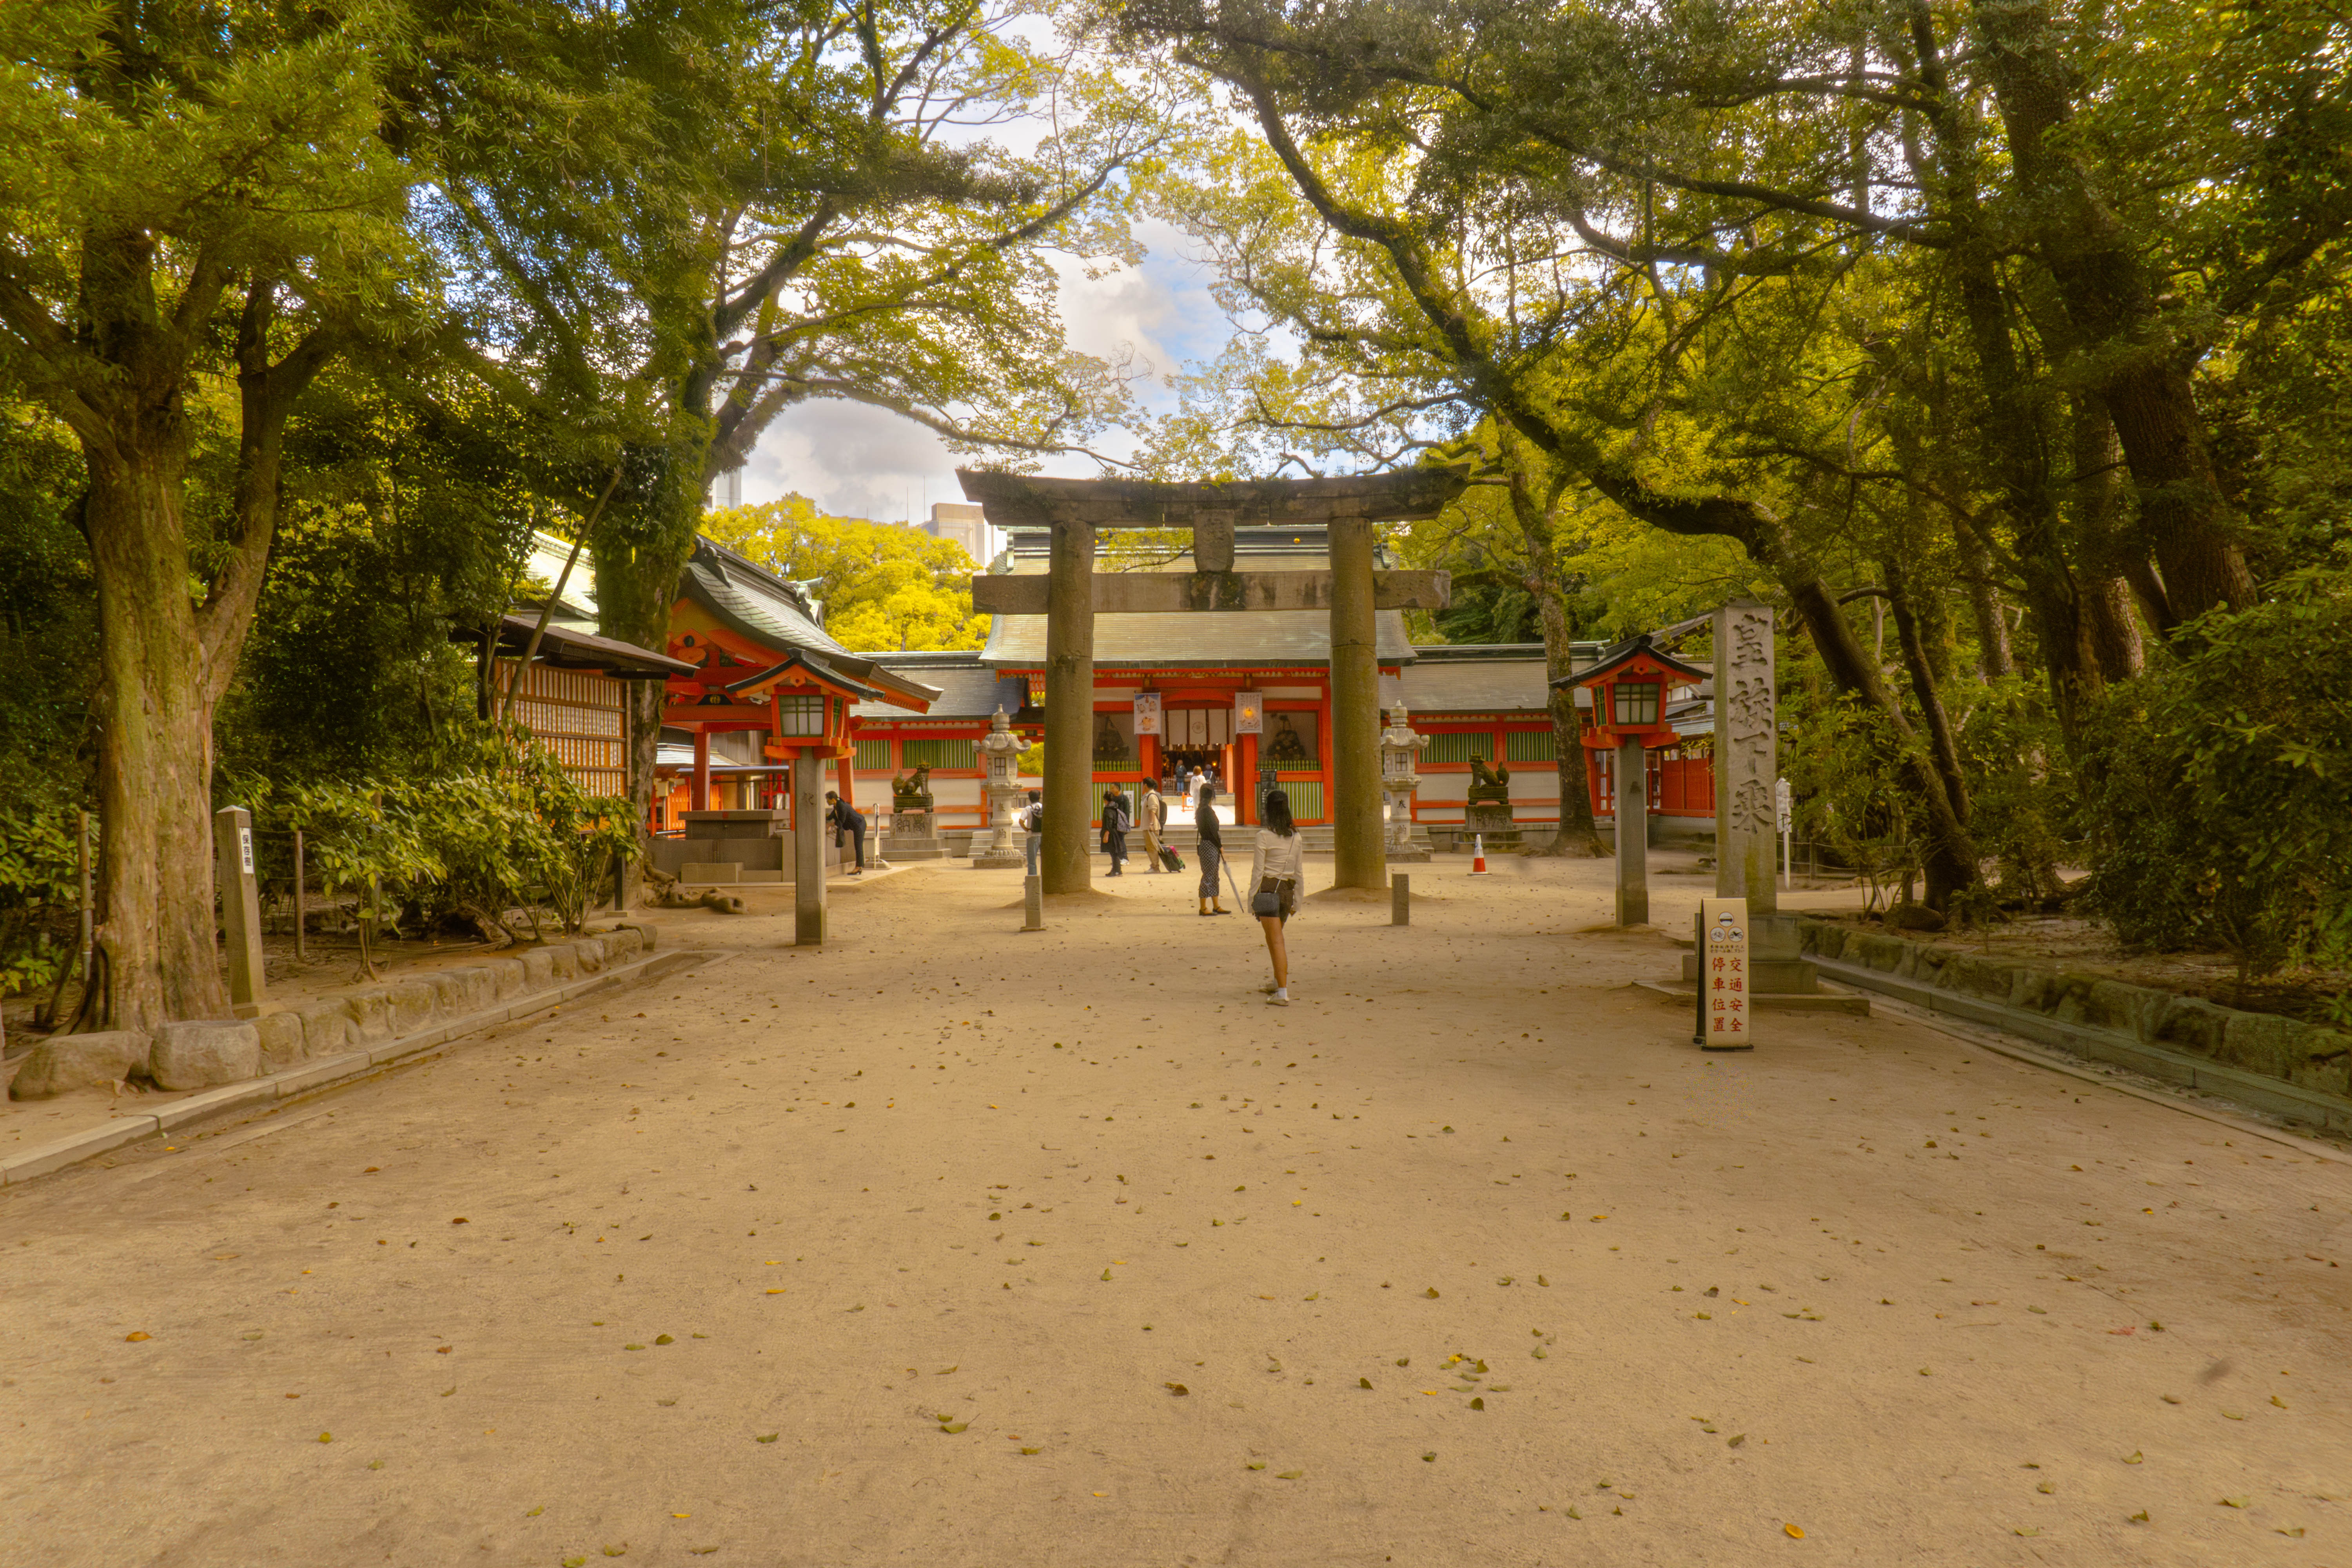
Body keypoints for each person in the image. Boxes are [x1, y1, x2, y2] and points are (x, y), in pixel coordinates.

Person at [1249, 787, 1304, 1004]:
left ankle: (1282, 992)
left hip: (1269, 891)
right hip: (1287, 892)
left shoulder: (1263, 837)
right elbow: (1299, 872)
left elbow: (1258, 872)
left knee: (1276, 940)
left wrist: (1252, 899)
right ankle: (1276, 980)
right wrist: (1297, 900)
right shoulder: (1296, 838)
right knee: (1274, 938)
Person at [1195, 782, 1230, 916]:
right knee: (1209, 875)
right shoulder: (1207, 811)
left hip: (1208, 845)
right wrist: (1220, 846)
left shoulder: (1201, 810)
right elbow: (1212, 831)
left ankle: (1216, 905)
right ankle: (1203, 907)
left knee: (1214, 875)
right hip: (1211, 845)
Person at [824, 790, 866, 875]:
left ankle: (859, 867)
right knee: (858, 845)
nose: (827, 801)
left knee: (858, 845)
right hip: (857, 825)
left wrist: (830, 825)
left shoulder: (842, 806)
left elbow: (841, 821)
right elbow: (831, 817)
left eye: (828, 800)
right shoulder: (837, 806)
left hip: (859, 824)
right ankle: (860, 867)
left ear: (833, 800)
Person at [1100, 786, 1130, 876]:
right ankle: (1117, 870)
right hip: (1116, 833)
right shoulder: (1115, 808)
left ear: (1106, 800)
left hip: (1111, 834)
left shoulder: (1108, 810)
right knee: (1115, 852)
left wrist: (1106, 834)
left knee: (1113, 852)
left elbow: (1109, 823)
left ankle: (1116, 870)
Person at [1138, 780, 1166, 873]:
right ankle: (1154, 866)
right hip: (1147, 826)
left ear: (1145, 785)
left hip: (1150, 826)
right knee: (1150, 847)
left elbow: (1152, 811)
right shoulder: (1148, 796)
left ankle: (1155, 867)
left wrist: (1151, 824)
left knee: (1152, 847)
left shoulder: (1152, 796)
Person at [1020, 789, 1043, 876]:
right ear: (1039, 797)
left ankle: (1033, 878)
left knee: (1032, 860)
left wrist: (1027, 829)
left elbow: (1021, 821)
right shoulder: (1043, 807)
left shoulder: (1028, 809)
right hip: (1043, 835)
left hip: (1032, 836)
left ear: (1030, 798)